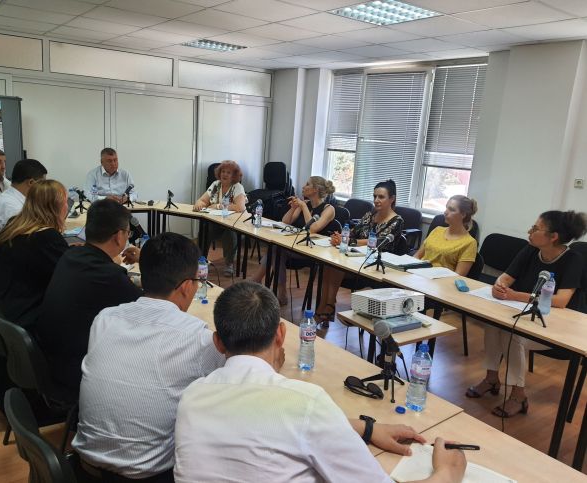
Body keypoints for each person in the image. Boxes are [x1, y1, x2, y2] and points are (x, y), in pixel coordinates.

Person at [174, 281, 466, 483]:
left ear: (218, 342)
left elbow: (264, 416)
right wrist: (447, 473)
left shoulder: (192, 396)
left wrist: (366, 428)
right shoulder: (305, 402)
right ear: (281, 334)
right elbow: (292, 415)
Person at [72, 233, 224, 482]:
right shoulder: (196, 338)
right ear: (187, 286)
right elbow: (240, 376)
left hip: (84, 468)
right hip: (147, 476)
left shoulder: (105, 319)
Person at [467, 210, 587, 418]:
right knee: (494, 325)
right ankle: (491, 378)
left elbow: (561, 300)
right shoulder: (530, 250)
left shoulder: (573, 259)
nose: (529, 231)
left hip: (555, 328)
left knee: (512, 334)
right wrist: (499, 286)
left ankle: (518, 395)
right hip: (524, 316)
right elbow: (506, 277)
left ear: (553, 236)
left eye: (536, 228)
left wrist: (515, 296)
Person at [36, 199, 143, 394]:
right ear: (119, 236)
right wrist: (144, 261)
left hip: (48, 358)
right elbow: (148, 306)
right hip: (75, 374)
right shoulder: (109, 275)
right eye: (128, 233)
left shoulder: (70, 255)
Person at [0, 180, 69, 329]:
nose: (67, 206)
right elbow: (70, 275)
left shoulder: (14, 225)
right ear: (56, 206)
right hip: (17, 321)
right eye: (66, 201)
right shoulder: (46, 237)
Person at [315, 179, 404, 326]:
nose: (376, 200)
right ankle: (325, 305)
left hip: (374, 266)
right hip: (355, 258)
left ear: (392, 199)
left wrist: (349, 241)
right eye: (375, 196)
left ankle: (328, 306)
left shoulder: (396, 221)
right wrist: (340, 237)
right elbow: (353, 232)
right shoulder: (370, 215)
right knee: (329, 263)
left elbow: (378, 242)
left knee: (337, 265)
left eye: (381, 197)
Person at [250, 176, 336, 305]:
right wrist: (293, 208)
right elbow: (285, 222)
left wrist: (303, 206)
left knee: (276, 250)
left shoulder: (329, 209)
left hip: (313, 251)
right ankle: (279, 290)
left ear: (316, 190)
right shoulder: (305, 204)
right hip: (296, 246)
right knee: (275, 248)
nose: (303, 187)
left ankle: (263, 283)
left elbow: (313, 228)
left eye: (307, 184)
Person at [0, 159, 48, 274]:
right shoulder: (13, 208)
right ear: (31, 183)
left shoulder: (11, 197)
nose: (44, 189)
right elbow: (27, 245)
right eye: (42, 184)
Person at [193, 160, 247, 276]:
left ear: (234, 176)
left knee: (229, 232)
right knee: (204, 230)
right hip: (217, 223)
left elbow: (240, 207)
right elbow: (203, 200)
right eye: (223, 171)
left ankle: (229, 263)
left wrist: (218, 206)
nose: (225, 174)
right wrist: (199, 203)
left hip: (235, 224)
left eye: (228, 172)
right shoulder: (216, 185)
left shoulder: (237, 187)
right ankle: (201, 260)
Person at [415, 195, 478, 276]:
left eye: (451, 210)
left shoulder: (469, 243)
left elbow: (458, 275)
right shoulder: (437, 230)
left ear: (463, 215)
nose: (445, 212)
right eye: (446, 208)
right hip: (419, 275)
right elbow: (417, 256)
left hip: (440, 280)